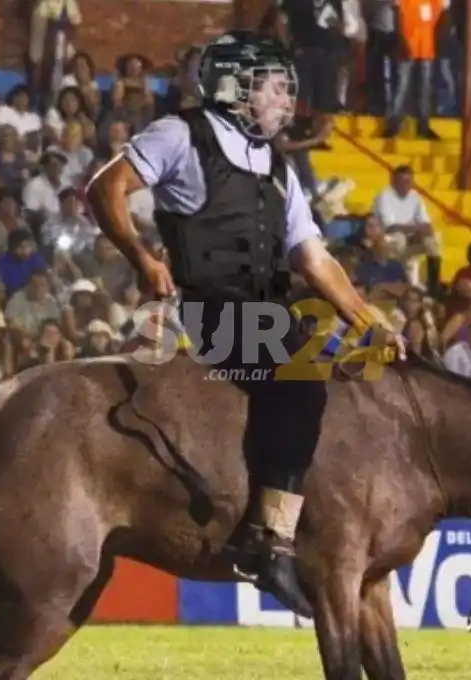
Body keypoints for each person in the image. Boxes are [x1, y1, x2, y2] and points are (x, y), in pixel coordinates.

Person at [87, 31, 404, 618]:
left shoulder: (277, 165)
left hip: (270, 311)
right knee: (303, 377)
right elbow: (105, 189)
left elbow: (313, 257)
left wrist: (367, 320)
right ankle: (269, 541)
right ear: (237, 88)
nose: (287, 98)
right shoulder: (180, 133)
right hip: (213, 312)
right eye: (276, 86)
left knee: (353, 379)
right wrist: (143, 257)